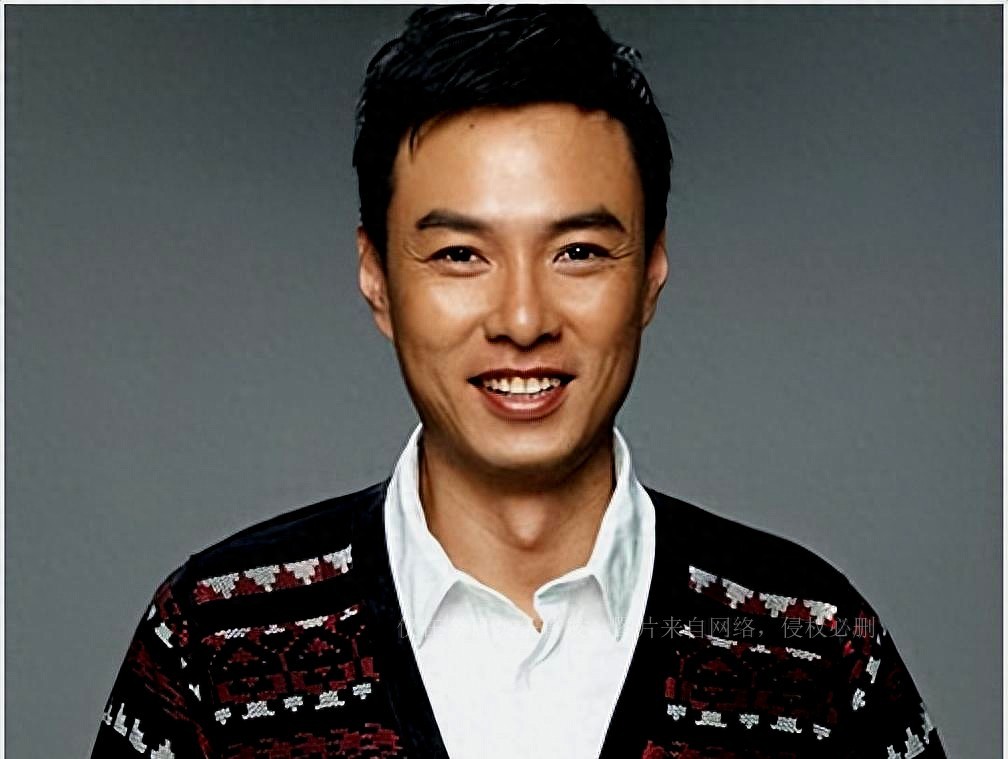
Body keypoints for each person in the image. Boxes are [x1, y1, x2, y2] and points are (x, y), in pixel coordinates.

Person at [91, 6, 948, 758]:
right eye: (461, 254)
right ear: (376, 277)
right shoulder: (212, 641)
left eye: (577, 251)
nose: (524, 317)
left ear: (650, 273)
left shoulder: (809, 645)